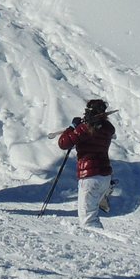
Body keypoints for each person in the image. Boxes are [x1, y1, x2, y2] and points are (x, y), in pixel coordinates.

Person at [57, 98, 116, 228]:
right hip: (105, 176)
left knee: (87, 220)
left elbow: (63, 143)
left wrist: (72, 128)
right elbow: (106, 130)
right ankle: (101, 241)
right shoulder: (107, 128)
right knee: (91, 216)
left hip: (90, 176)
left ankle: (99, 245)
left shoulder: (85, 129)